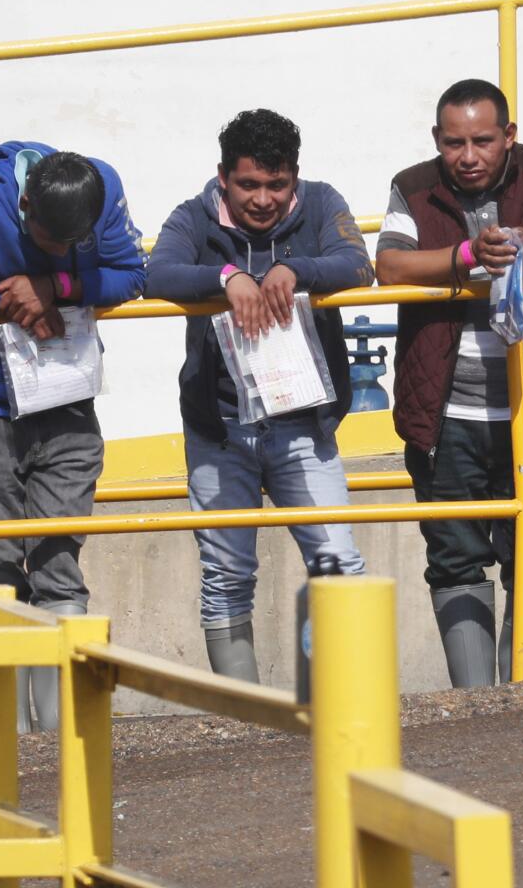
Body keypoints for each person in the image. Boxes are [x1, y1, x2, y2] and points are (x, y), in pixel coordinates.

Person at [375, 78, 523, 688]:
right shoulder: (413, 186)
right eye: (455, 142)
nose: (469, 156)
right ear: (437, 140)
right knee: (454, 559)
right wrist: (465, 257)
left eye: (483, 140)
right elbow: (389, 266)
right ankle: (475, 710)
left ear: (509, 135)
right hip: (444, 417)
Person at [0, 142, 147, 730]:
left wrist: (55, 283)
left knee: (58, 564)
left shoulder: (104, 188)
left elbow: (131, 275)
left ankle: (64, 734)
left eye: (76, 243)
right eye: (50, 241)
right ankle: (5, 739)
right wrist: (2, 299)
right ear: (25, 209)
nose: (66, 251)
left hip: (65, 398)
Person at [146, 108, 370, 683]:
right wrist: (226, 276)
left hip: (304, 424)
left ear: (295, 177)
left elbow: (357, 264)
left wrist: (296, 270)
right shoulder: (192, 216)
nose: (264, 198)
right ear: (223, 176)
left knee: (338, 564)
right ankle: (244, 731)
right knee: (226, 577)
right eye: (249, 184)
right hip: (220, 429)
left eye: (278, 184)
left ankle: (342, 707)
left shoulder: (321, 202)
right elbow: (157, 273)